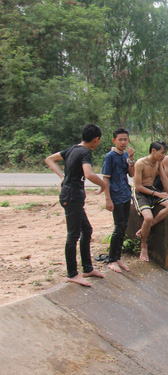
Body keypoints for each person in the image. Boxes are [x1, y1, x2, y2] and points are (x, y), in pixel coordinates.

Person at [45, 123, 108, 287]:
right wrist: (103, 185)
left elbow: (49, 159)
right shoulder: (85, 153)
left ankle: (87, 268)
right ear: (96, 140)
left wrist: (62, 177)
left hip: (72, 195)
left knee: (86, 230)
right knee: (73, 235)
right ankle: (72, 273)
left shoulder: (72, 149)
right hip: (72, 197)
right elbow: (88, 173)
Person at [133, 141, 168, 262]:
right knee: (147, 217)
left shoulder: (158, 163)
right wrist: (156, 193)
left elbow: (164, 178)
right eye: (162, 153)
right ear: (153, 150)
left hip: (152, 190)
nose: (164, 156)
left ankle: (149, 226)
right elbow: (137, 186)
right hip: (141, 193)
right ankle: (144, 245)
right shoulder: (140, 163)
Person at [101, 127, 135, 273]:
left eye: (125, 139)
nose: (123, 142)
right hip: (115, 195)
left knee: (124, 226)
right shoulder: (109, 157)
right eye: (120, 140)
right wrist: (108, 199)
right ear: (114, 140)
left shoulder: (125, 155)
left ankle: (117, 257)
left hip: (125, 194)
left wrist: (131, 159)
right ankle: (112, 259)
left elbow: (131, 174)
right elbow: (105, 179)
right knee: (118, 227)